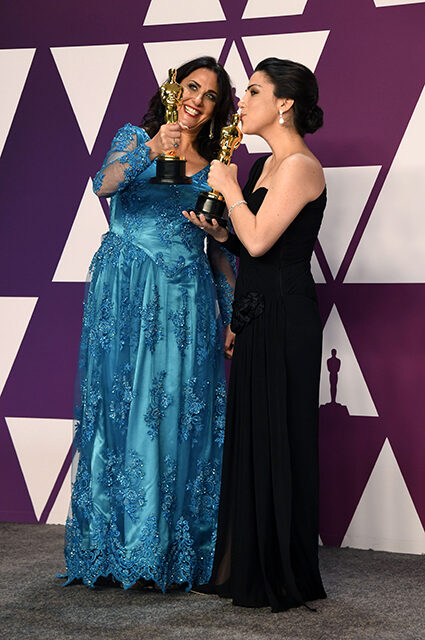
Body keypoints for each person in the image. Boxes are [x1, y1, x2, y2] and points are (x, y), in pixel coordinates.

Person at [62, 57, 236, 591]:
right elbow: (102, 184)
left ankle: (166, 552)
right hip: (123, 293)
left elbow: (221, 255)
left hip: (183, 302)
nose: (198, 99)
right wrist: (151, 149)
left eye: (210, 95)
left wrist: (230, 318)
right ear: (171, 89)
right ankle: (112, 548)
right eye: (191, 87)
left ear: (217, 110)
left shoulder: (217, 166)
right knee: (117, 410)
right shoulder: (134, 136)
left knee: (177, 413)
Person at [184, 57, 327, 612]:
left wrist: (226, 185)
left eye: (252, 90)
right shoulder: (266, 166)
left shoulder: (299, 166)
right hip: (256, 311)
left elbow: (265, 243)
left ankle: (282, 574)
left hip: (288, 317)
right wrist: (220, 227)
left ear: (284, 103)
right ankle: (246, 564)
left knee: (281, 436)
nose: (240, 101)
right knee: (252, 435)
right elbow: (247, 244)